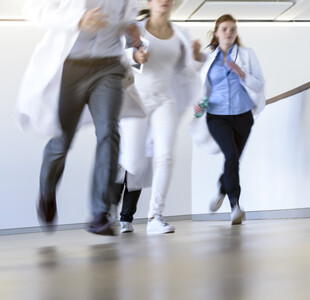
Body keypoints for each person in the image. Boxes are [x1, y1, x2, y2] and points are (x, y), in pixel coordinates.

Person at [17, 0, 144, 236]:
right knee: (61, 140)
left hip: (109, 66)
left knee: (109, 131)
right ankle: (47, 191)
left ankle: (100, 213)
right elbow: (33, 9)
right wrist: (76, 19)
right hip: (69, 68)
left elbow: (128, 19)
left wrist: (133, 33)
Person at [110, 0, 202, 234]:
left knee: (166, 156)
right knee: (132, 161)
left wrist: (197, 57)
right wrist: (135, 56)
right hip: (136, 99)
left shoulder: (181, 34)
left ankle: (155, 217)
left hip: (165, 100)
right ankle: (110, 208)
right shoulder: (134, 28)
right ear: (149, 2)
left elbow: (187, 71)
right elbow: (119, 58)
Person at [192, 14, 265, 225]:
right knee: (231, 156)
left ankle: (222, 188)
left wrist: (242, 73)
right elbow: (200, 90)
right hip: (217, 117)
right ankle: (235, 206)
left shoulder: (246, 54)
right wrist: (198, 106)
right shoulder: (207, 59)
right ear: (216, 33)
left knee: (233, 160)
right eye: (224, 29)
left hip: (243, 115)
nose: (229, 33)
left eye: (233, 29)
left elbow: (259, 85)